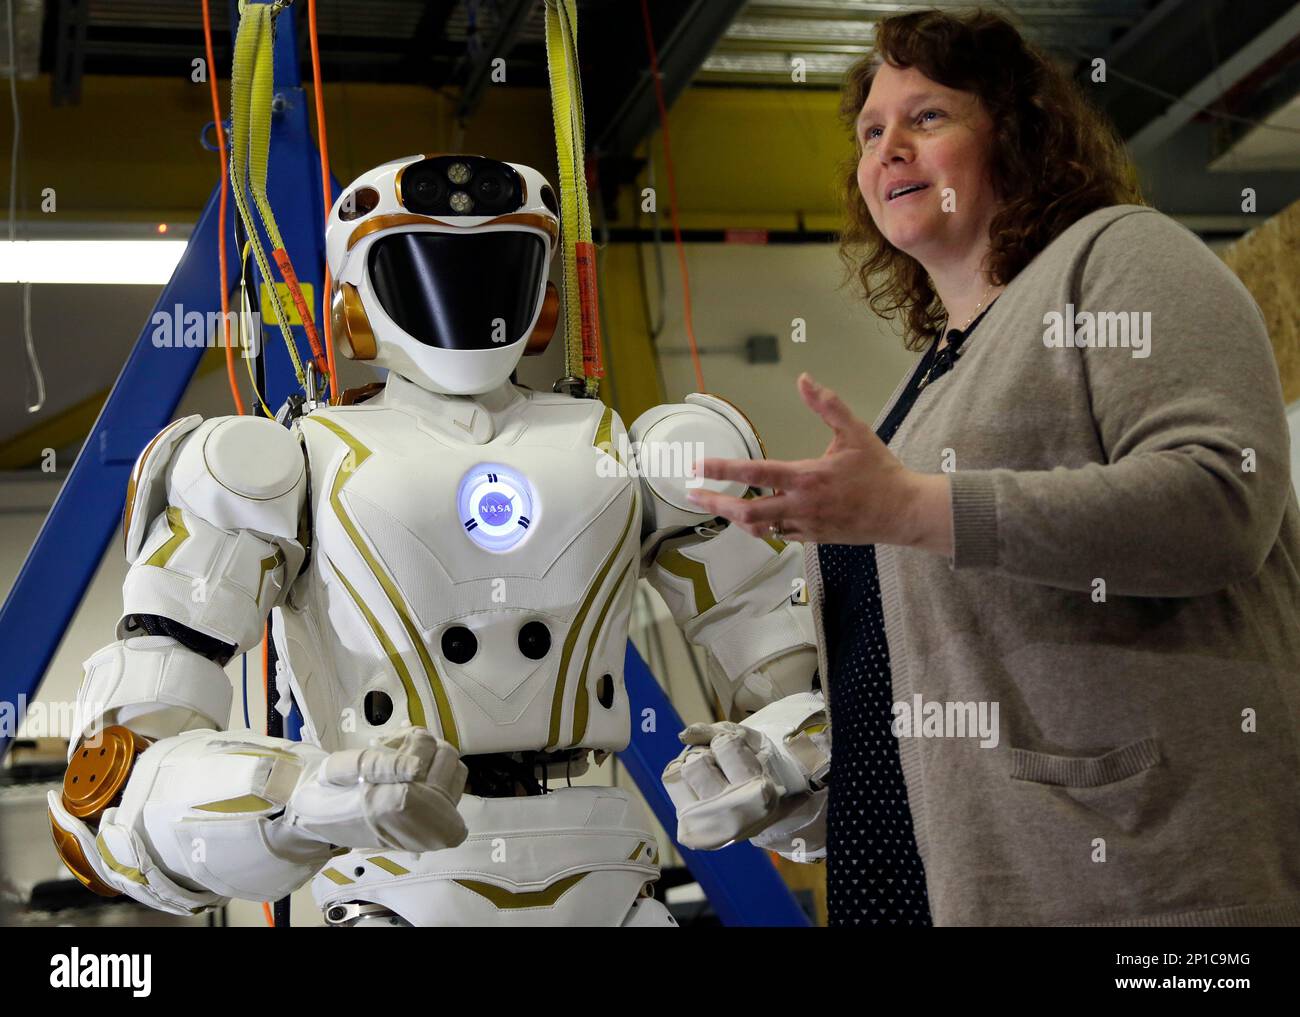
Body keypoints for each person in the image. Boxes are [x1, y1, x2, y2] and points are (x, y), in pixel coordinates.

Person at [678, 9, 1300, 926]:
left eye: (925, 118)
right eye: (870, 131)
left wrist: (914, 508)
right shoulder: (928, 379)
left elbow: (1219, 501)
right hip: (933, 874)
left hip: (1135, 884)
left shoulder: (1121, 255)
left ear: (1017, 134)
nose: (888, 148)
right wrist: (807, 772)